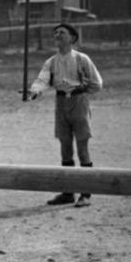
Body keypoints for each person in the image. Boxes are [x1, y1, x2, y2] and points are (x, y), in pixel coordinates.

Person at [28, 23, 103, 208]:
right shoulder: (51, 61)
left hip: (79, 103)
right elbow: (42, 80)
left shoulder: (81, 59)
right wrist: (33, 92)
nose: (57, 35)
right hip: (60, 103)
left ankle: (85, 194)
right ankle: (68, 192)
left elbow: (97, 83)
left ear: (72, 38)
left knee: (83, 148)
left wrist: (82, 89)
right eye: (55, 33)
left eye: (62, 32)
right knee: (65, 147)